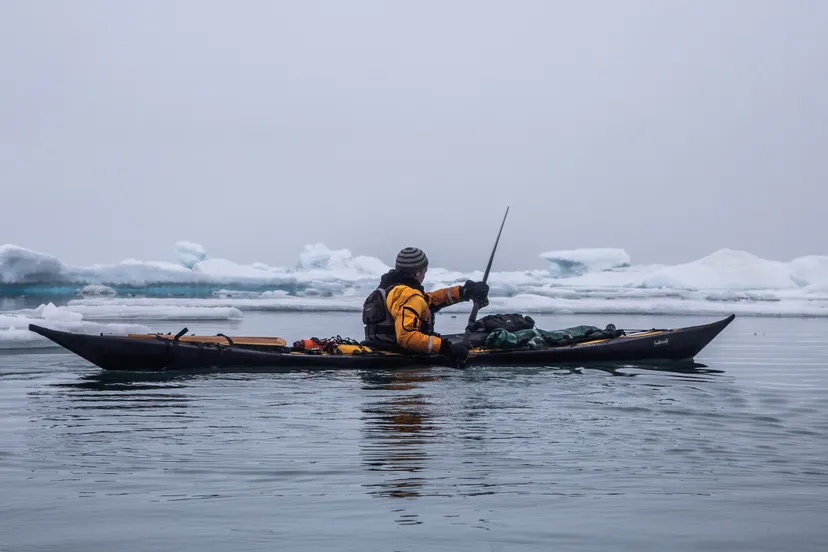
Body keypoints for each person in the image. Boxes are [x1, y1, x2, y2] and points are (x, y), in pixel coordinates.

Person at [362, 247, 490, 362]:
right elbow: (407, 338)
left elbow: (429, 301)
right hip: (401, 359)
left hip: (380, 346)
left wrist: (463, 292)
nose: (424, 276)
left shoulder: (391, 289)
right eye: (424, 271)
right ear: (417, 272)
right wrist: (447, 349)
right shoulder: (408, 295)